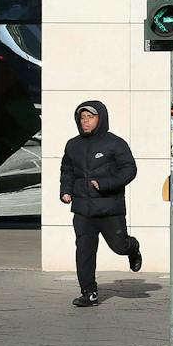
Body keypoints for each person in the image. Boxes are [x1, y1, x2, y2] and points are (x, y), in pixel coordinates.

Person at [59, 101, 142, 307]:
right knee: (84, 251)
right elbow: (66, 170)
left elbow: (129, 170)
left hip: (109, 208)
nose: (85, 122)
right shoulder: (73, 144)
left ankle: (133, 248)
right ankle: (89, 292)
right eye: (82, 118)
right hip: (82, 210)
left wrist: (104, 184)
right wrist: (66, 191)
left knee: (119, 246)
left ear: (100, 119)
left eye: (90, 117)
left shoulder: (115, 143)